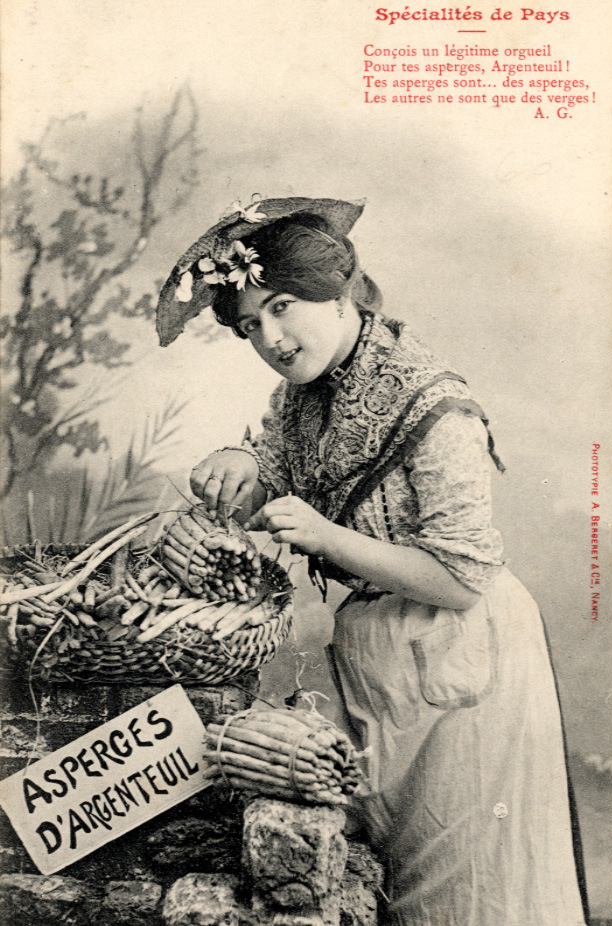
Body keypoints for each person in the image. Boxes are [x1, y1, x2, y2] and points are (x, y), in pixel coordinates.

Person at [156, 196, 588, 925]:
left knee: (469, 891)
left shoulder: (434, 403)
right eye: (250, 326)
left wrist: (325, 537)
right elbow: (280, 470)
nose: (272, 339)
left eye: (282, 307)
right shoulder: (306, 396)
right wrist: (242, 463)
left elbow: (462, 578)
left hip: (465, 654)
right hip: (380, 656)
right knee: (399, 884)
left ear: (340, 292)